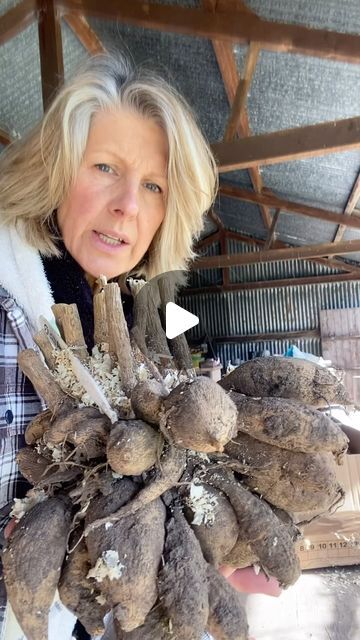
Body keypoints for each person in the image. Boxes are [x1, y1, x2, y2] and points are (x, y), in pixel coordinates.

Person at [0, 53, 279, 639]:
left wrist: (208, 539)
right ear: (53, 171)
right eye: (105, 166)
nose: (128, 203)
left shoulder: (136, 310)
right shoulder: (8, 313)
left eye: (153, 185)